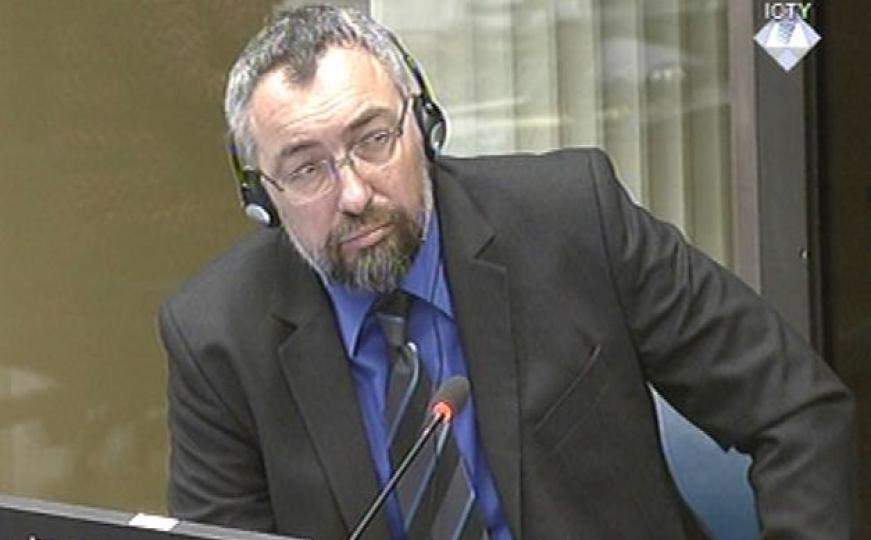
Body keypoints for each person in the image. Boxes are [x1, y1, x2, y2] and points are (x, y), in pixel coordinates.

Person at [159, 4, 858, 539]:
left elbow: (793, 409)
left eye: (374, 139)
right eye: (306, 169)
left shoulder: (572, 219)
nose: (354, 193)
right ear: (261, 197)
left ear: (423, 124)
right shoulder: (217, 336)